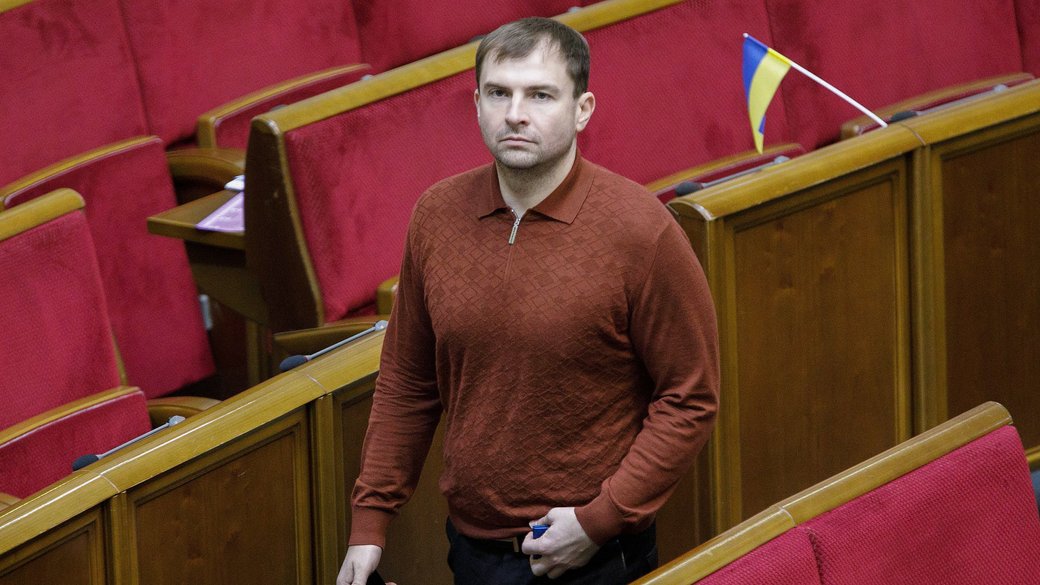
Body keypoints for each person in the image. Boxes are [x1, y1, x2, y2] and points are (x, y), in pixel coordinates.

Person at [337, 17, 718, 585]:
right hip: (473, 549)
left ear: (582, 109)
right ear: (476, 105)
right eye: (499, 93)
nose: (515, 113)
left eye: (540, 95)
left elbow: (689, 398)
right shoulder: (436, 215)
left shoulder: (642, 230)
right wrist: (369, 526)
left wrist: (598, 520)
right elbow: (407, 383)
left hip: (596, 554)